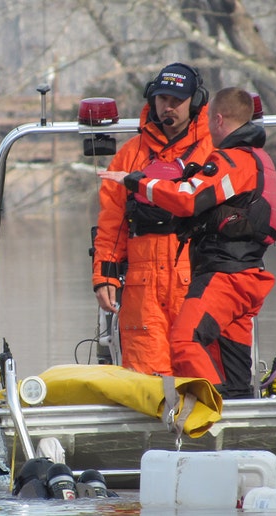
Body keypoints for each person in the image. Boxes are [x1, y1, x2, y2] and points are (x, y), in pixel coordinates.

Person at [98, 87, 276, 398]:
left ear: (218, 119)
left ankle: (211, 408)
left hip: (222, 275)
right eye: (163, 100)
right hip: (249, 275)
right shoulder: (262, 160)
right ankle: (238, 409)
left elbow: (187, 199)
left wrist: (137, 181)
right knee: (232, 359)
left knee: (184, 342)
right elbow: (111, 226)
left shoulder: (230, 160)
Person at [91, 63, 214, 375]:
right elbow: (112, 226)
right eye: (162, 99)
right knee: (147, 382)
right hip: (142, 289)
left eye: (176, 101)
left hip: (196, 280)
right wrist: (104, 277)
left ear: (195, 101)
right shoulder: (130, 155)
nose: (168, 107)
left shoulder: (214, 151)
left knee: (200, 375)